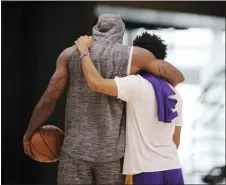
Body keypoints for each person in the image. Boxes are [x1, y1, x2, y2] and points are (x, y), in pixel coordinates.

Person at [23, 14, 184, 185]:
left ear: (96, 29)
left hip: (75, 150)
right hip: (113, 155)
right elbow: (177, 77)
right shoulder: (135, 56)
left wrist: (29, 133)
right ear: (121, 33)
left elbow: (49, 99)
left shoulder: (69, 54)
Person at [74, 33, 184, 185]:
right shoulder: (175, 93)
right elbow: (175, 141)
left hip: (146, 171)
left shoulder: (135, 85)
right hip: (173, 169)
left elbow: (96, 83)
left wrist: (83, 50)